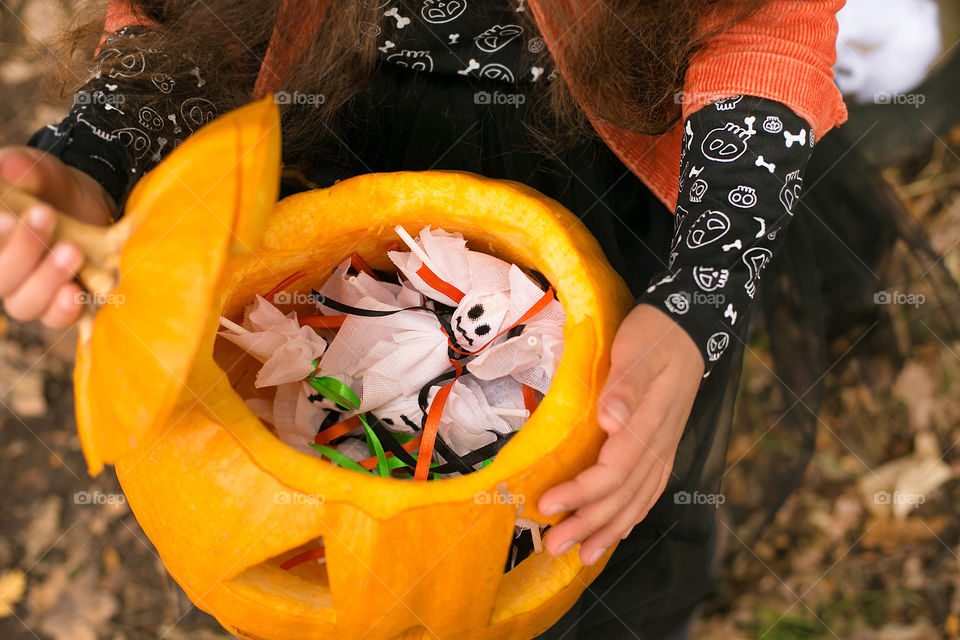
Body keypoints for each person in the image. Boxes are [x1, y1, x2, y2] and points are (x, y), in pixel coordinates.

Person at [0, 1, 849, 637]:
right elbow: (198, 18)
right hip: (322, 128)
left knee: (594, 511)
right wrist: (97, 163)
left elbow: (764, 23)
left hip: (597, 153)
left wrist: (698, 297)